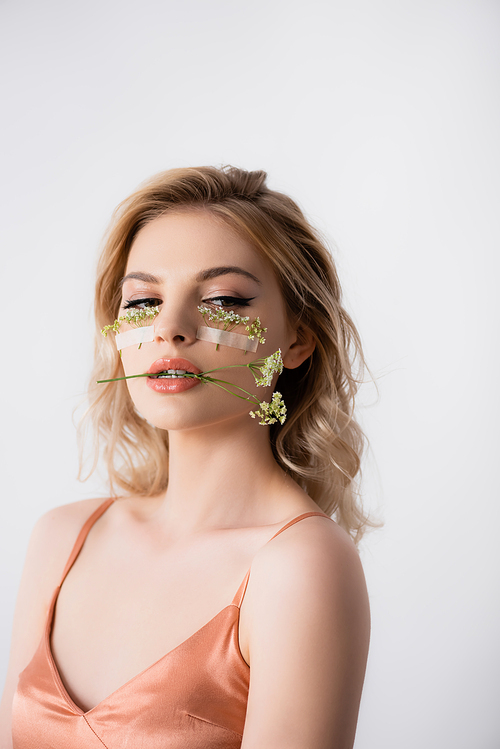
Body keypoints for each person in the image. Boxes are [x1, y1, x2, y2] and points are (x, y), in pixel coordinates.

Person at [1, 166, 372, 748]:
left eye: (223, 299)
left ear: (297, 339)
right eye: (143, 301)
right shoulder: (62, 538)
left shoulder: (300, 565)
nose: (169, 329)